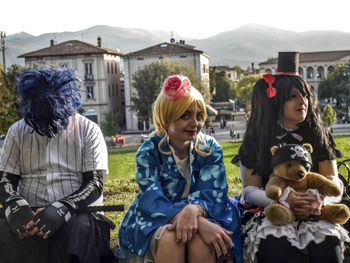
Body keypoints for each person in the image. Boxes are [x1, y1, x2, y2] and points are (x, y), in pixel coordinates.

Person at [233, 52, 349, 263]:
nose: (302, 100)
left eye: (304, 94)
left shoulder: (318, 133)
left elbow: (333, 180)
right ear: (277, 100)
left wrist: (318, 200)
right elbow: (250, 190)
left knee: (327, 245)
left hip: (315, 210)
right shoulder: (257, 137)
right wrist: (283, 199)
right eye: (293, 95)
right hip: (270, 209)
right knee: (274, 246)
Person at [116, 75, 242, 263]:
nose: (195, 122)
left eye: (199, 115)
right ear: (166, 118)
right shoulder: (148, 152)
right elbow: (151, 197)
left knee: (201, 243)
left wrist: (195, 210)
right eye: (185, 115)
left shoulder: (209, 148)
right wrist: (196, 221)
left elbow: (213, 192)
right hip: (159, 216)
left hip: (206, 211)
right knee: (171, 240)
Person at [0, 68, 114, 263]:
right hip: (30, 213)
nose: (45, 125)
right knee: (5, 232)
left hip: (79, 213)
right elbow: (4, 180)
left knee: (78, 232)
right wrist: (15, 206)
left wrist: (63, 208)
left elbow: (95, 183)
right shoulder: (16, 131)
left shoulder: (89, 130)